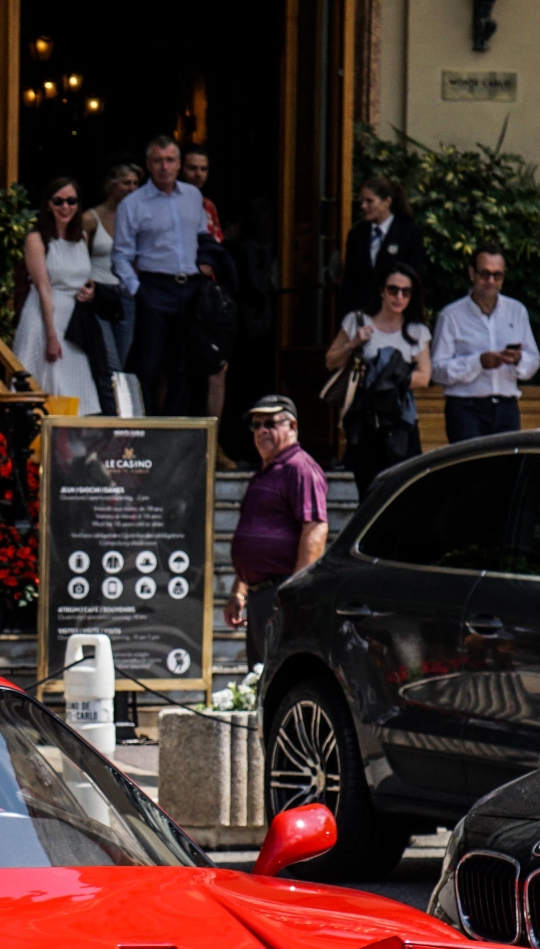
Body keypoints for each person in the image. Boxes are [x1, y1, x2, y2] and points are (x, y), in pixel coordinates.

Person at [225, 395, 329, 668]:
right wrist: (239, 591)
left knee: (279, 677)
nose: (261, 431)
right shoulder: (267, 471)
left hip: (281, 594)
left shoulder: (299, 467)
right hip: (261, 597)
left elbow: (316, 529)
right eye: (256, 425)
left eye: (270, 423)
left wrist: (295, 595)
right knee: (260, 679)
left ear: (292, 426)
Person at [113, 135, 211, 414]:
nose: (164, 167)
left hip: (189, 287)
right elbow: (121, 255)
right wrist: (137, 291)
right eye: (158, 161)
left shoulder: (193, 197)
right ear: (148, 164)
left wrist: (207, 264)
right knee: (149, 364)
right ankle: (149, 427)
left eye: (170, 160)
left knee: (184, 365)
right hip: (153, 286)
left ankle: (175, 430)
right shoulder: (133, 204)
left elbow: (202, 234)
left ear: (179, 164)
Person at [324, 261, 432, 495]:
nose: (399, 297)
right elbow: (330, 360)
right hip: (366, 421)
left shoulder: (416, 330)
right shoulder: (358, 321)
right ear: (382, 290)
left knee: (405, 491)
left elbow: (424, 377)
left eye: (406, 292)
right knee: (369, 491)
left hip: (401, 421)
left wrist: (383, 381)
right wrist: (353, 344)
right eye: (393, 289)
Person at [430, 245, 540, 441]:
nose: (490, 281)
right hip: (466, 408)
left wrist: (517, 359)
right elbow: (437, 370)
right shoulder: (451, 315)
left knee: (508, 469)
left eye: (497, 275)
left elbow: (534, 359)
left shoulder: (516, 311)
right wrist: (478, 362)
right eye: (484, 274)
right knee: (471, 470)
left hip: (507, 406)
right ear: (472, 273)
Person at [10, 178, 100, 414]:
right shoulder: (36, 239)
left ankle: (71, 447)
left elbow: (81, 274)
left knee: (76, 385)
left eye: (71, 201)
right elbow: (43, 287)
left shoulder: (81, 236)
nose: (65, 207)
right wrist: (51, 335)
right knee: (42, 381)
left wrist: (89, 290)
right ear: (49, 204)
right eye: (58, 201)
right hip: (44, 315)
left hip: (74, 320)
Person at [180, 145, 233, 453]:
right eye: (192, 168)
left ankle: (213, 447)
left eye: (203, 169)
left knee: (218, 367)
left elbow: (217, 250)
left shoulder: (208, 206)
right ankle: (167, 441)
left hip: (208, 299)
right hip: (175, 292)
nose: (198, 174)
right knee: (173, 368)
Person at [87, 164, 141, 386]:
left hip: (125, 296)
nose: (132, 188)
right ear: (111, 185)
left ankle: (113, 413)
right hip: (99, 293)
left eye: (136, 184)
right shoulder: (90, 218)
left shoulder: (137, 219)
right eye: (126, 183)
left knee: (122, 359)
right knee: (109, 362)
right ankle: (111, 416)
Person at [339, 177, 421, 319]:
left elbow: (416, 278)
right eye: (362, 201)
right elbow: (349, 282)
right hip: (362, 316)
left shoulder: (409, 233)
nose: (363, 206)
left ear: (387, 202)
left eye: (369, 201)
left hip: (396, 315)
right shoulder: (356, 234)